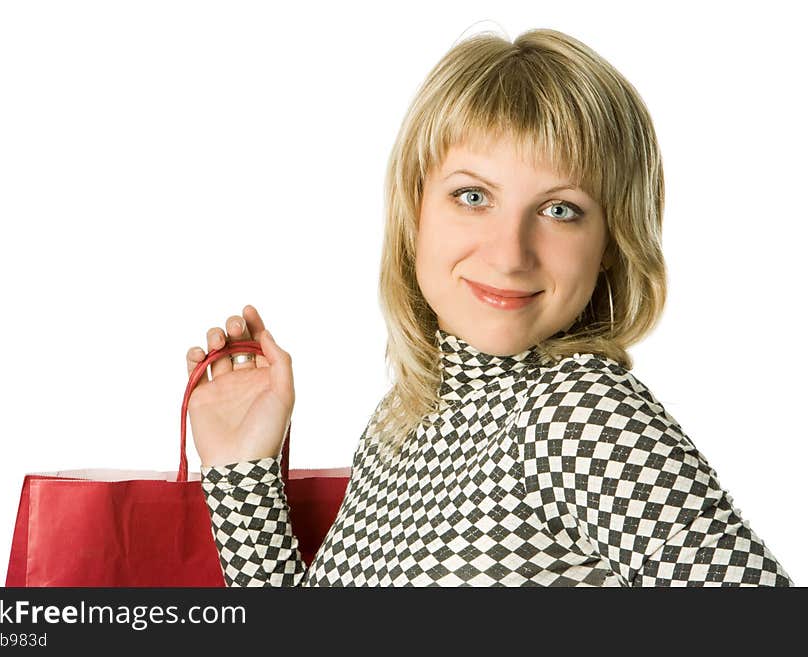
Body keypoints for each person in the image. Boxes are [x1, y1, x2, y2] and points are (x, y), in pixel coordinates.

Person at [185, 28, 794, 586]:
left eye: (560, 210)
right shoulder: (400, 422)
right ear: (415, 209)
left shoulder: (582, 416)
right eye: (473, 196)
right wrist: (242, 473)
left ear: (611, 242)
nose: (509, 255)